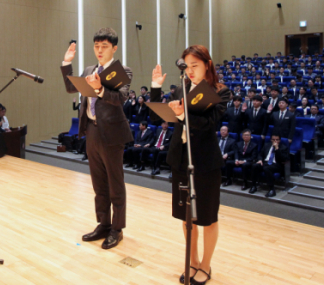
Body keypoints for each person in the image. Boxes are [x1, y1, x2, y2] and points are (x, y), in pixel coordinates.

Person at [150, 45, 231, 285]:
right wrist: (156, 89)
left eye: (195, 65)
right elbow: (158, 117)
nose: (191, 71)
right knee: (187, 217)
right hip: (181, 159)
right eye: (187, 66)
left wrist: (184, 115)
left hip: (205, 162)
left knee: (208, 217)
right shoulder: (181, 89)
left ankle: (206, 265)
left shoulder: (219, 91)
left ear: (207, 64)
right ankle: (193, 261)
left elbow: (210, 123)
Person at [60, 28, 133, 250]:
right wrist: (66, 64)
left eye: (104, 46)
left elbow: (121, 98)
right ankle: (103, 223)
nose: (99, 50)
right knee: (98, 183)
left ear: (114, 48)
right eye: (96, 46)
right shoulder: (90, 69)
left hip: (111, 133)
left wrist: (100, 88)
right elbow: (72, 88)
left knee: (115, 184)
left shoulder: (123, 71)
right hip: (91, 130)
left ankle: (116, 229)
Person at [249, 132, 289, 198]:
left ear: (280, 140)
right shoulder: (266, 145)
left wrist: (277, 148)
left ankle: (272, 189)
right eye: (273, 139)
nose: (275, 141)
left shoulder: (283, 148)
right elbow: (260, 154)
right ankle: (253, 186)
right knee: (254, 166)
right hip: (265, 163)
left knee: (267, 168)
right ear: (271, 140)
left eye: (277, 139)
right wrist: (260, 160)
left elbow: (283, 159)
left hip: (276, 165)